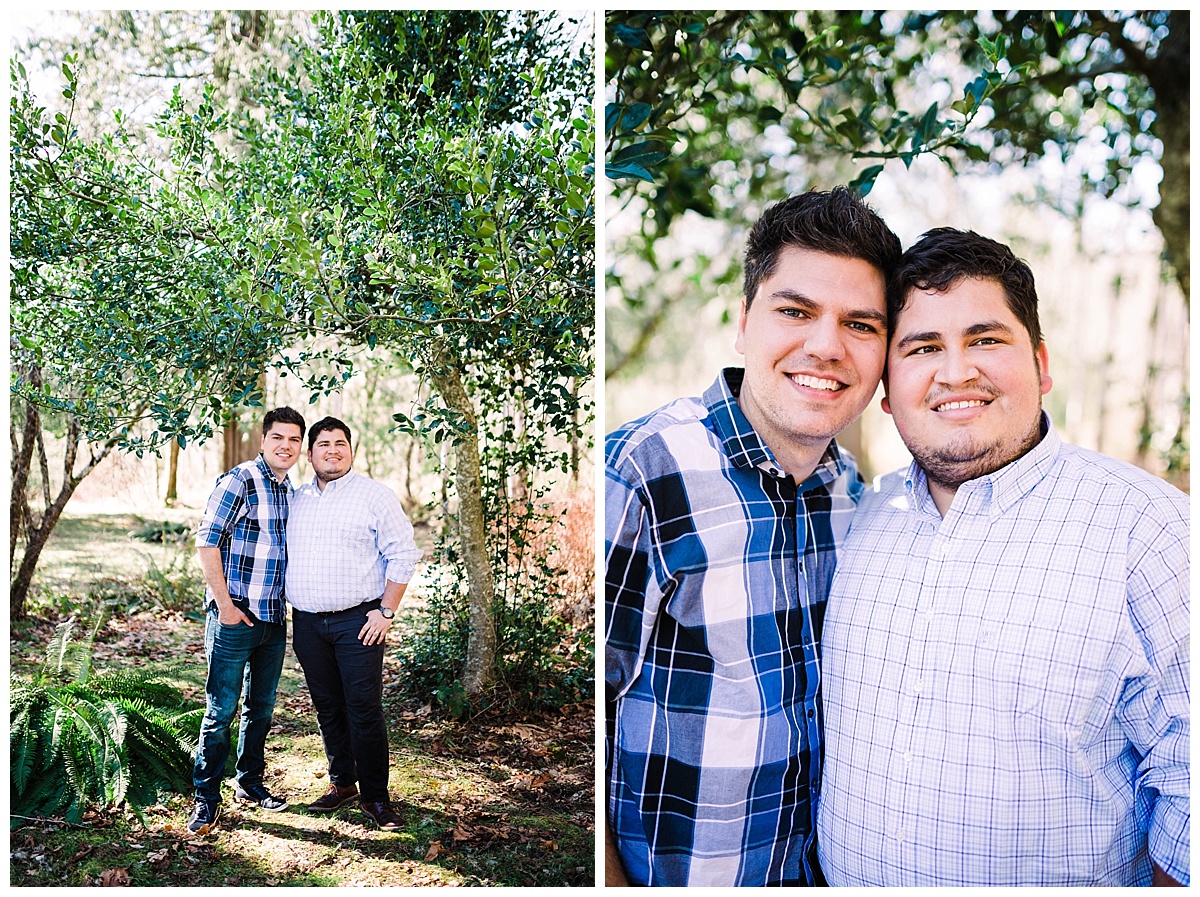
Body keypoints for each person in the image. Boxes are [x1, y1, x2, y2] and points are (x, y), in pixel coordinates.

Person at [816, 228, 1189, 886]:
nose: (956, 371)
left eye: (985, 338)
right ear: (886, 385)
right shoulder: (856, 517)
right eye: (922, 347)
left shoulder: (1149, 530)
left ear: (1041, 363)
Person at [604, 187, 902, 886]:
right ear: (743, 322)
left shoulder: (852, 496)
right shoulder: (645, 472)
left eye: (860, 324)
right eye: (795, 311)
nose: (825, 345)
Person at [285, 416, 422, 831]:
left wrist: (386, 611)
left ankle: (376, 799)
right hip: (307, 623)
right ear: (309, 455)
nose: (332, 450)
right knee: (328, 707)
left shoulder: (374, 496)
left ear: (351, 451)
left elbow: (404, 554)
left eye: (340, 443)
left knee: (363, 710)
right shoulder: (295, 498)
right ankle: (343, 783)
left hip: (358, 621)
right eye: (323, 444)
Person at [190, 406, 307, 835]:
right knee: (220, 711)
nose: (286, 446)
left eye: (294, 440)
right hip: (235, 615)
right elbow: (207, 543)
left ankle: (249, 783)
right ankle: (206, 797)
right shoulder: (239, 480)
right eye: (279, 437)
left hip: (274, 617)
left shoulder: (288, 488)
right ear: (264, 440)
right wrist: (224, 605)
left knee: (260, 708)